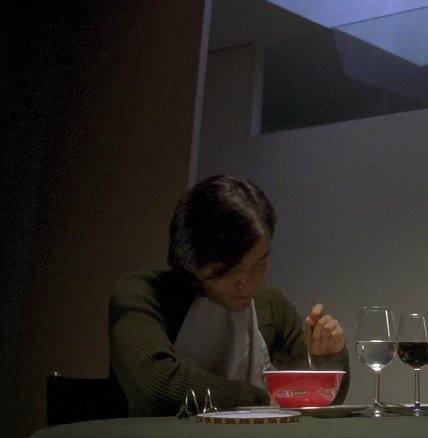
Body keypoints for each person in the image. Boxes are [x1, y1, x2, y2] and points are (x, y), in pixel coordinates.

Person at [109, 175, 350, 416]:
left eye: (260, 263)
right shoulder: (143, 295)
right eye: (231, 267)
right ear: (191, 259)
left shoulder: (269, 302)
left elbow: (318, 399)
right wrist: (261, 399)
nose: (247, 281)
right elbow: (156, 389)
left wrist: (327, 357)